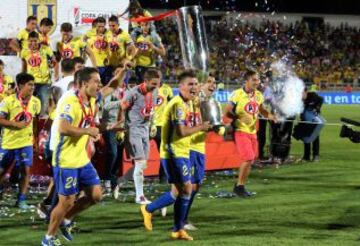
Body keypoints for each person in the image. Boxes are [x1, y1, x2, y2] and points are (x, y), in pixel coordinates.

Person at [42, 66, 128, 246]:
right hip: (65, 158)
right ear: (82, 84)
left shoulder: (90, 99)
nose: (99, 85)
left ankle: (66, 220)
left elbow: (111, 87)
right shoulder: (70, 102)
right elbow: (63, 128)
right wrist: (87, 131)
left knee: (95, 195)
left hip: (80, 157)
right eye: (95, 81)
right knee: (66, 201)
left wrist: (124, 70)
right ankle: (48, 238)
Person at [140, 70, 211, 241]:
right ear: (180, 86)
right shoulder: (177, 104)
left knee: (178, 191)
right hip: (173, 153)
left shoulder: (187, 103)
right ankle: (177, 228)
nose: (194, 87)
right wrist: (202, 127)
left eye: (195, 84)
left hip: (183, 151)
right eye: (190, 84)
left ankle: (150, 210)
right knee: (187, 188)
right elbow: (181, 131)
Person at [223, 69, 276, 197]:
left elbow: (262, 110)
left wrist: (270, 116)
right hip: (241, 130)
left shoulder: (258, 95)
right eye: (254, 80)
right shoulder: (237, 94)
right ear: (246, 81)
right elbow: (227, 111)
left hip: (252, 132)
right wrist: (238, 117)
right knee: (247, 158)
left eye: (258, 80)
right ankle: (239, 186)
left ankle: (240, 185)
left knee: (251, 159)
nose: (257, 82)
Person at [0, 73, 41, 209]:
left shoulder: (36, 102)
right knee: (1, 171)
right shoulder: (8, 101)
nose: (32, 87)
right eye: (30, 84)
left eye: (33, 84)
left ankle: (21, 200)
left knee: (26, 170)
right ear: (21, 86)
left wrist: (35, 139)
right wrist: (15, 125)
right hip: (9, 143)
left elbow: (34, 121)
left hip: (25, 143)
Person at [120, 68, 159, 204]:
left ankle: (120, 182)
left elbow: (152, 109)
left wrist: (152, 124)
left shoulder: (155, 92)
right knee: (140, 162)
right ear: (146, 81)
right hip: (133, 129)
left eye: (157, 84)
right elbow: (122, 108)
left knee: (142, 165)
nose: (156, 87)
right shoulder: (133, 93)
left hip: (145, 129)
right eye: (153, 84)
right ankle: (140, 196)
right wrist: (121, 128)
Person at [184, 75, 218, 230]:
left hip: (199, 147)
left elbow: (214, 124)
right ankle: (181, 220)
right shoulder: (192, 101)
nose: (213, 85)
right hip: (186, 146)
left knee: (196, 185)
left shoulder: (213, 104)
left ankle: (155, 207)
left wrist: (219, 128)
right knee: (186, 186)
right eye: (209, 82)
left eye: (214, 83)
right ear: (200, 85)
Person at [20, 31, 58, 117]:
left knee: (44, 103)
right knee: (28, 103)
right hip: (30, 82)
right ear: (27, 41)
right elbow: (24, 66)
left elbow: (55, 61)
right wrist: (22, 79)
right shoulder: (24, 51)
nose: (33, 43)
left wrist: (56, 74)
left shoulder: (46, 49)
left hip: (44, 82)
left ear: (39, 40)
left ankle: (41, 123)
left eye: (35, 40)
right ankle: (29, 120)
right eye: (31, 41)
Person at [151, 79, 173, 183]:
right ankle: (136, 177)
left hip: (162, 125)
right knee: (140, 153)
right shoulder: (148, 88)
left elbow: (172, 105)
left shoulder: (167, 89)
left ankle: (163, 177)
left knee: (164, 151)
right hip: (148, 124)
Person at [86, 17, 111, 85]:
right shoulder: (90, 36)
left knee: (106, 86)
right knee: (95, 86)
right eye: (99, 26)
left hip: (106, 66)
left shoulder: (109, 35)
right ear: (95, 26)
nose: (101, 29)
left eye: (102, 26)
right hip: (95, 66)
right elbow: (87, 51)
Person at [302, 88, 323, 162]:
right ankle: (306, 156)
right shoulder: (298, 98)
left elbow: (321, 99)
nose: (301, 95)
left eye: (302, 93)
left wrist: (317, 108)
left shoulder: (313, 95)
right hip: (304, 119)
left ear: (306, 92)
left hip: (314, 119)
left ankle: (315, 155)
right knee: (305, 137)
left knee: (315, 137)